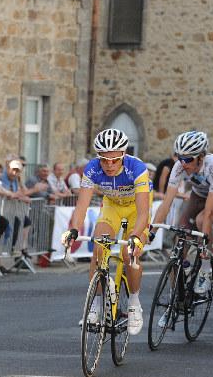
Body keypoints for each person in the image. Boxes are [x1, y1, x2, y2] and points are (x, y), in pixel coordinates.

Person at [61, 129, 150, 334]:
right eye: (104, 160)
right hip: (112, 206)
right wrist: (73, 230)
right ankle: (95, 306)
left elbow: (144, 212)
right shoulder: (92, 169)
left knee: (130, 253)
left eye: (115, 160)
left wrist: (136, 237)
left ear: (124, 155)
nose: (109, 165)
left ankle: (135, 304)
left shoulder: (137, 168)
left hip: (136, 209)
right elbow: (81, 206)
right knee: (99, 249)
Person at [151, 131, 213, 272]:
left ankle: (205, 270)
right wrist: (152, 231)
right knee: (178, 247)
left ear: (201, 157)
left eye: (188, 159)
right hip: (198, 196)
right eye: (180, 157)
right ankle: (176, 291)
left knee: (201, 220)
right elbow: (166, 204)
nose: (183, 163)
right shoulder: (179, 166)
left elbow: (209, 212)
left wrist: (204, 246)